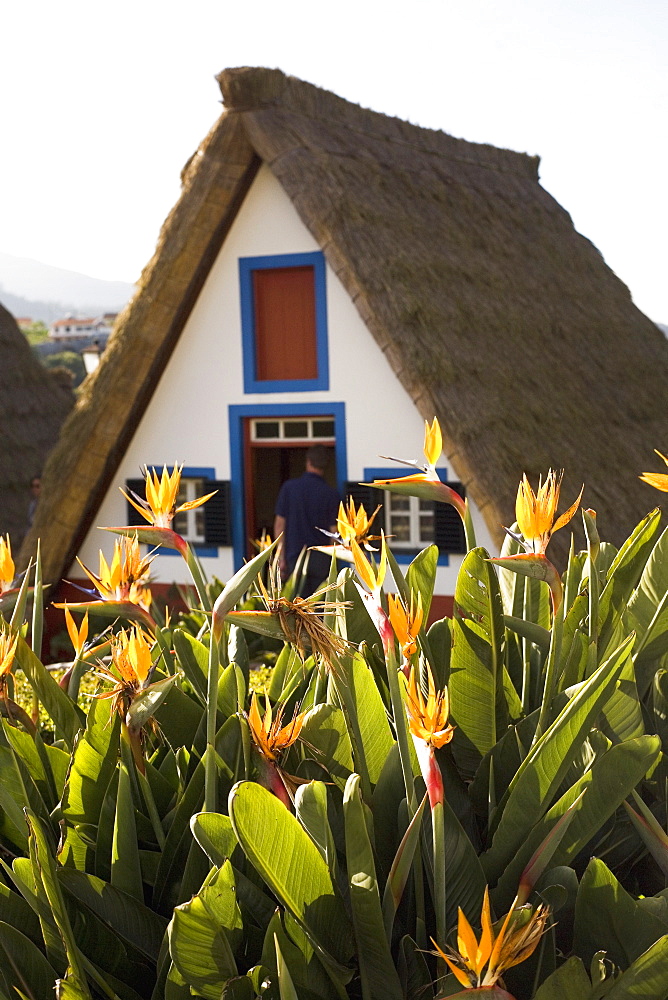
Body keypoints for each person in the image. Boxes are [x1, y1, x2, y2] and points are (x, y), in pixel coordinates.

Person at [273, 445, 339, 596]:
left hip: (294, 558)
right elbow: (334, 534)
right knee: (319, 610)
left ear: (308, 462)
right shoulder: (331, 494)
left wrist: (281, 558)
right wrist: (332, 565)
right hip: (321, 560)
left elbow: (279, 526)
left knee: (296, 609)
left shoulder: (289, 488)